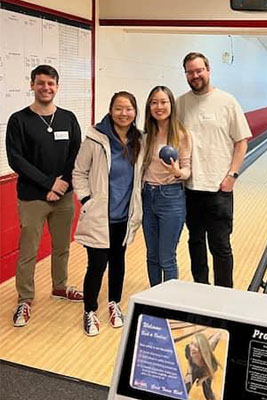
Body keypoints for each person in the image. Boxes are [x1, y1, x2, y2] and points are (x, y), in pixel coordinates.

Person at [6, 64, 83, 328]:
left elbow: (76, 155)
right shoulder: (19, 120)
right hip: (32, 197)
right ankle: (25, 299)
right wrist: (49, 184)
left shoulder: (68, 118)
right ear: (32, 85)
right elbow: (17, 160)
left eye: (51, 84)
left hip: (63, 196)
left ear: (57, 87)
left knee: (62, 247)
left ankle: (59, 286)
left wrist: (62, 184)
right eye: (40, 83)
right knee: (28, 250)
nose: (46, 88)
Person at [176, 52, 252, 288]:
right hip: (190, 188)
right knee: (195, 241)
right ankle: (200, 288)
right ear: (186, 74)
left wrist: (232, 176)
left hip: (219, 188)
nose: (195, 75)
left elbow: (242, 141)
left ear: (208, 70)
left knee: (220, 245)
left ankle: (223, 294)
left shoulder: (227, 101)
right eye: (190, 72)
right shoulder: (181, 103)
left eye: (199, 70)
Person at [72, 91, 143, 336]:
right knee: (96, 265)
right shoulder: (95, 138)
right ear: (111, 110)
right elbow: (79, 172)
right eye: (119, 108)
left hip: (124, 217)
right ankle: (90, 310)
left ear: (135, 112)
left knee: (118, 262)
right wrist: (86, 199)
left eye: (129, 109)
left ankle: (114, 303)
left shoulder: (139, 140)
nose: (124, 113)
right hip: (99, 216)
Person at [142, 86, 191, 287]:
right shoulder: (145, 135)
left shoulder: (182, 135)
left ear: (171, 104)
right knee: (152, 256)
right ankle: (154, 299)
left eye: (163, 102)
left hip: (171, 198)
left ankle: (168, 304)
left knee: (166, 257)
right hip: (147, 196)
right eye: (154, 102)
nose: (159, 106)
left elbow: (187, 171)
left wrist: (176, 172)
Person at [184, 333, 219, 400]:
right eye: (191, 343)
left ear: (202, 349)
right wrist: (189, 374)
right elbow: (189, 362)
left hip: (205, 373)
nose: (192, 348)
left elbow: (211, 372)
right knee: (185, 387)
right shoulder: (188, 349)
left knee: (208, 392)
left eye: (196, 346)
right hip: (194, 370)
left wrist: (202, 379)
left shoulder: (211, 362)